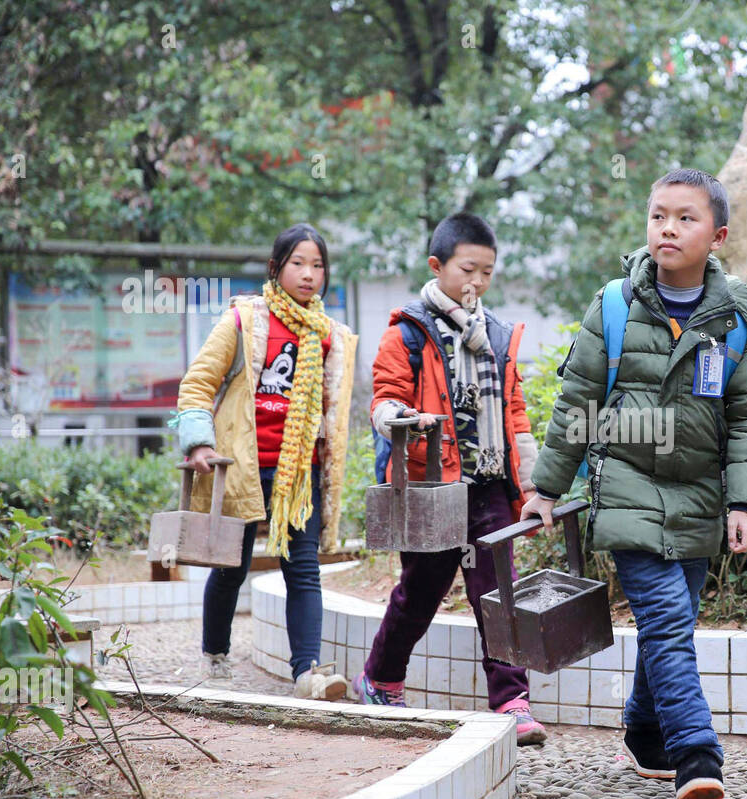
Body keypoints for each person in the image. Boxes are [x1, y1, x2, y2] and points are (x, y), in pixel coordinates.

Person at [522, 169, 747, 799]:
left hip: (699, 496)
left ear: (717, 235)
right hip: (628, 489)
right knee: (667, 621)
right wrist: (546, 489)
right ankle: (695, 754)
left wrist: (743, 501)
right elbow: (576, 401)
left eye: (686, 217)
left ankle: (641, 731)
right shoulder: (613, 304)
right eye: (659, 214)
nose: (669, 227)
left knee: (676, 620)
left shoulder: (738, 317)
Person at [357, 212, 548, 745]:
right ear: (437, 266)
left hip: (489, 486)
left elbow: (514, 414)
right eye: (468, 269)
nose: (478, 282)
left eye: (487, 272)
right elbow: (384, 396)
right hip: (430, 484)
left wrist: (530, 488)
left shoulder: (498, 333)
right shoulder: (408, 332)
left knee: (499, 595)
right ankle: (379, 678)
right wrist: (400, 418)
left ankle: (513, 700)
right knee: (420, 591)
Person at [174, 223, 357, 701]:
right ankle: (215, 652)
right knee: (232, 566)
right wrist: (198, 444)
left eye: (317, 265)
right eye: (298, 263)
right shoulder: (244, 321)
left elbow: (330, 411)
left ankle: (307, 673)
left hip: (299, 473)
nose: (309, 274)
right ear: (276, 268)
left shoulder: (329, 336)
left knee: (303, 568)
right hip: (241, 466)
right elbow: (196, 384)